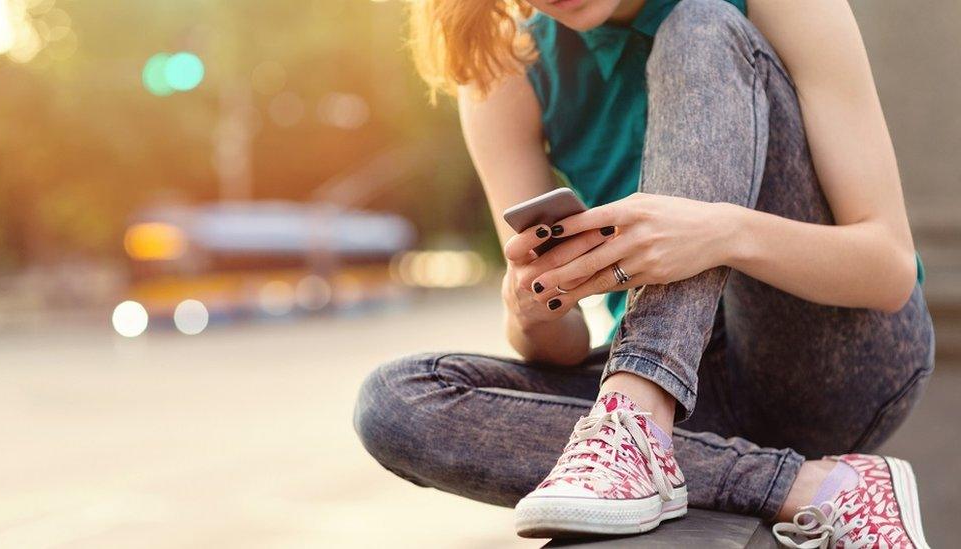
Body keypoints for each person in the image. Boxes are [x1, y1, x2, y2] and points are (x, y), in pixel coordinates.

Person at [354, 0, 935, 546]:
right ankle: (810, 487)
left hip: (834, 360)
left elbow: (887, 269)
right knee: (394, 402)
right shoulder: (507, 66)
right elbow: (561, 344)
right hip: (694, 401)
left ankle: (637, 414)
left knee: (699, 26)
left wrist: (721, 232)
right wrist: (530, 309)